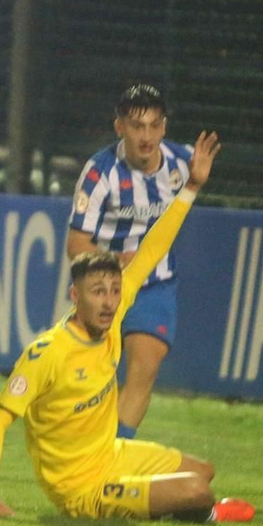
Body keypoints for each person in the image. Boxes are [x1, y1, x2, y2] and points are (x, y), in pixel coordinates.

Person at [0, 132, 252, 524]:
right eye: (97, 292)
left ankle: (170, 506)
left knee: (202, 472)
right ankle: (196, 512)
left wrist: (191, 186)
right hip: (82, 487)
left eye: (113, 291)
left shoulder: (115, 311)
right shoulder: (49, 351)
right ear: (75, 295)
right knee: (196, 491)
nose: (109, 302)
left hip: (112, 454)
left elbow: (153, 248)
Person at [66, 83, 195, 438]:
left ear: (164, 127)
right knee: (90, 379)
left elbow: (202, 177)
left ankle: (113, 455)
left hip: (155, 286)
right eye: (137, 126)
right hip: (102, 287)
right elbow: (76, 244)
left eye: (154, 126)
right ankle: (79, 446)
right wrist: (113, 260)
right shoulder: (99, 174)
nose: (147, 136)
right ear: (119, 127)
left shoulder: (183, 163)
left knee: (145, 367)